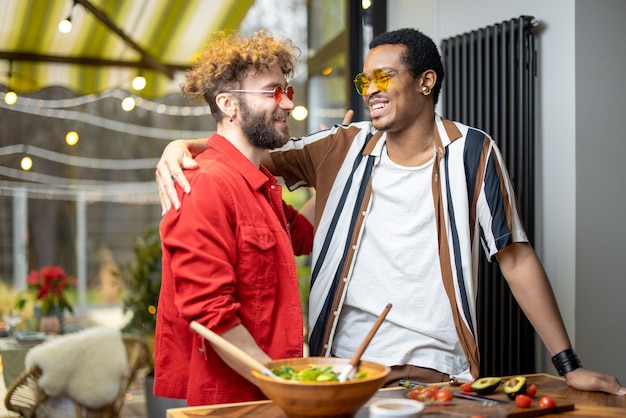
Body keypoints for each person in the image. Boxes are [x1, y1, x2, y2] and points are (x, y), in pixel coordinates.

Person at [155, 28, 626, 396]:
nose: (370, 90)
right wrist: (181, 146)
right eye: (365, 80)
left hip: (435, 370)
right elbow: (247, 148)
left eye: (384, 77)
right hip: (340, 369)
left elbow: (516, 258)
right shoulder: (339, 145)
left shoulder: (472, 152)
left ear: (426, 82)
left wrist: (569, 364)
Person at [153, 30, 314, 406]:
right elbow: (211, 317)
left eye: (287, 92)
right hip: (234, 402)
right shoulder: (206, 183)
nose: (287, 105)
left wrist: (332, 167)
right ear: (228, 104)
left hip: (264, 397)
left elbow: (304, 236)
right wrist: (284, 383)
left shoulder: (256, 185)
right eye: (272, 92)